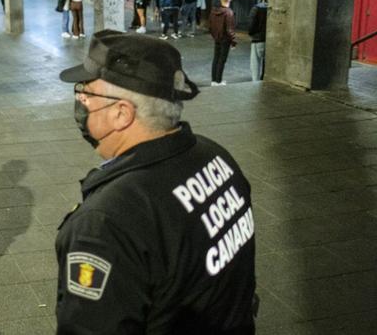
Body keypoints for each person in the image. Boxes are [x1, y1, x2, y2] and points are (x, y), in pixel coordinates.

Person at [56, 29, 256, 334]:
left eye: (87, 91)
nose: (80, 99)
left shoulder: (106, 224)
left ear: (121, 113)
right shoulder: (216, 157)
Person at [209, 0, 237, 86]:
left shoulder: (213, 11)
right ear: (229, 0)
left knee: (216, 58)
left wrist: (215, 36)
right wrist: (233, 42)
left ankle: (213, 81)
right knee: (222, 60)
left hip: (217, 38)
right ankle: (219, 81)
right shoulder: (229, 12)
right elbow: (229, 29)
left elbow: (210, 26)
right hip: (225, 39)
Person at [248, 0, 268, 82]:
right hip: (267, 40)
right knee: (266, 62)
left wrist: (251, 33)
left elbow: (251, 24)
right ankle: (264, 80)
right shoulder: (271, 9)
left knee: (255, 62)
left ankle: (255, 81)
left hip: (257, 39)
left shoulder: (256, 8)